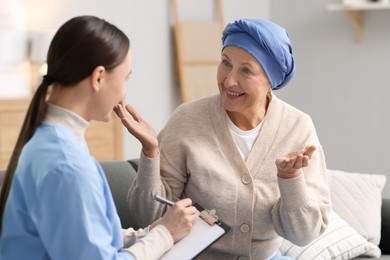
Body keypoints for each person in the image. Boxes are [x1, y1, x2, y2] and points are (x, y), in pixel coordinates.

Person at [116, 19, 330, 259]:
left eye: (246, 70)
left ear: (271, 81)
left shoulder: (298, 128)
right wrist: (150, 151)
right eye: (225, 64)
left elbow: (304, 235)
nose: (229, 80)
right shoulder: (187, 119)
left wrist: (290, 179)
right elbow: (151, 216)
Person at [0, 15, 198, 260]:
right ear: (99, 77)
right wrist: (165, 234)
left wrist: (151, 233)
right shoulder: (67, 165)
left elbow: (86, 234)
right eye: (125, 78)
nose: (125, 91)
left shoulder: (51, 142)